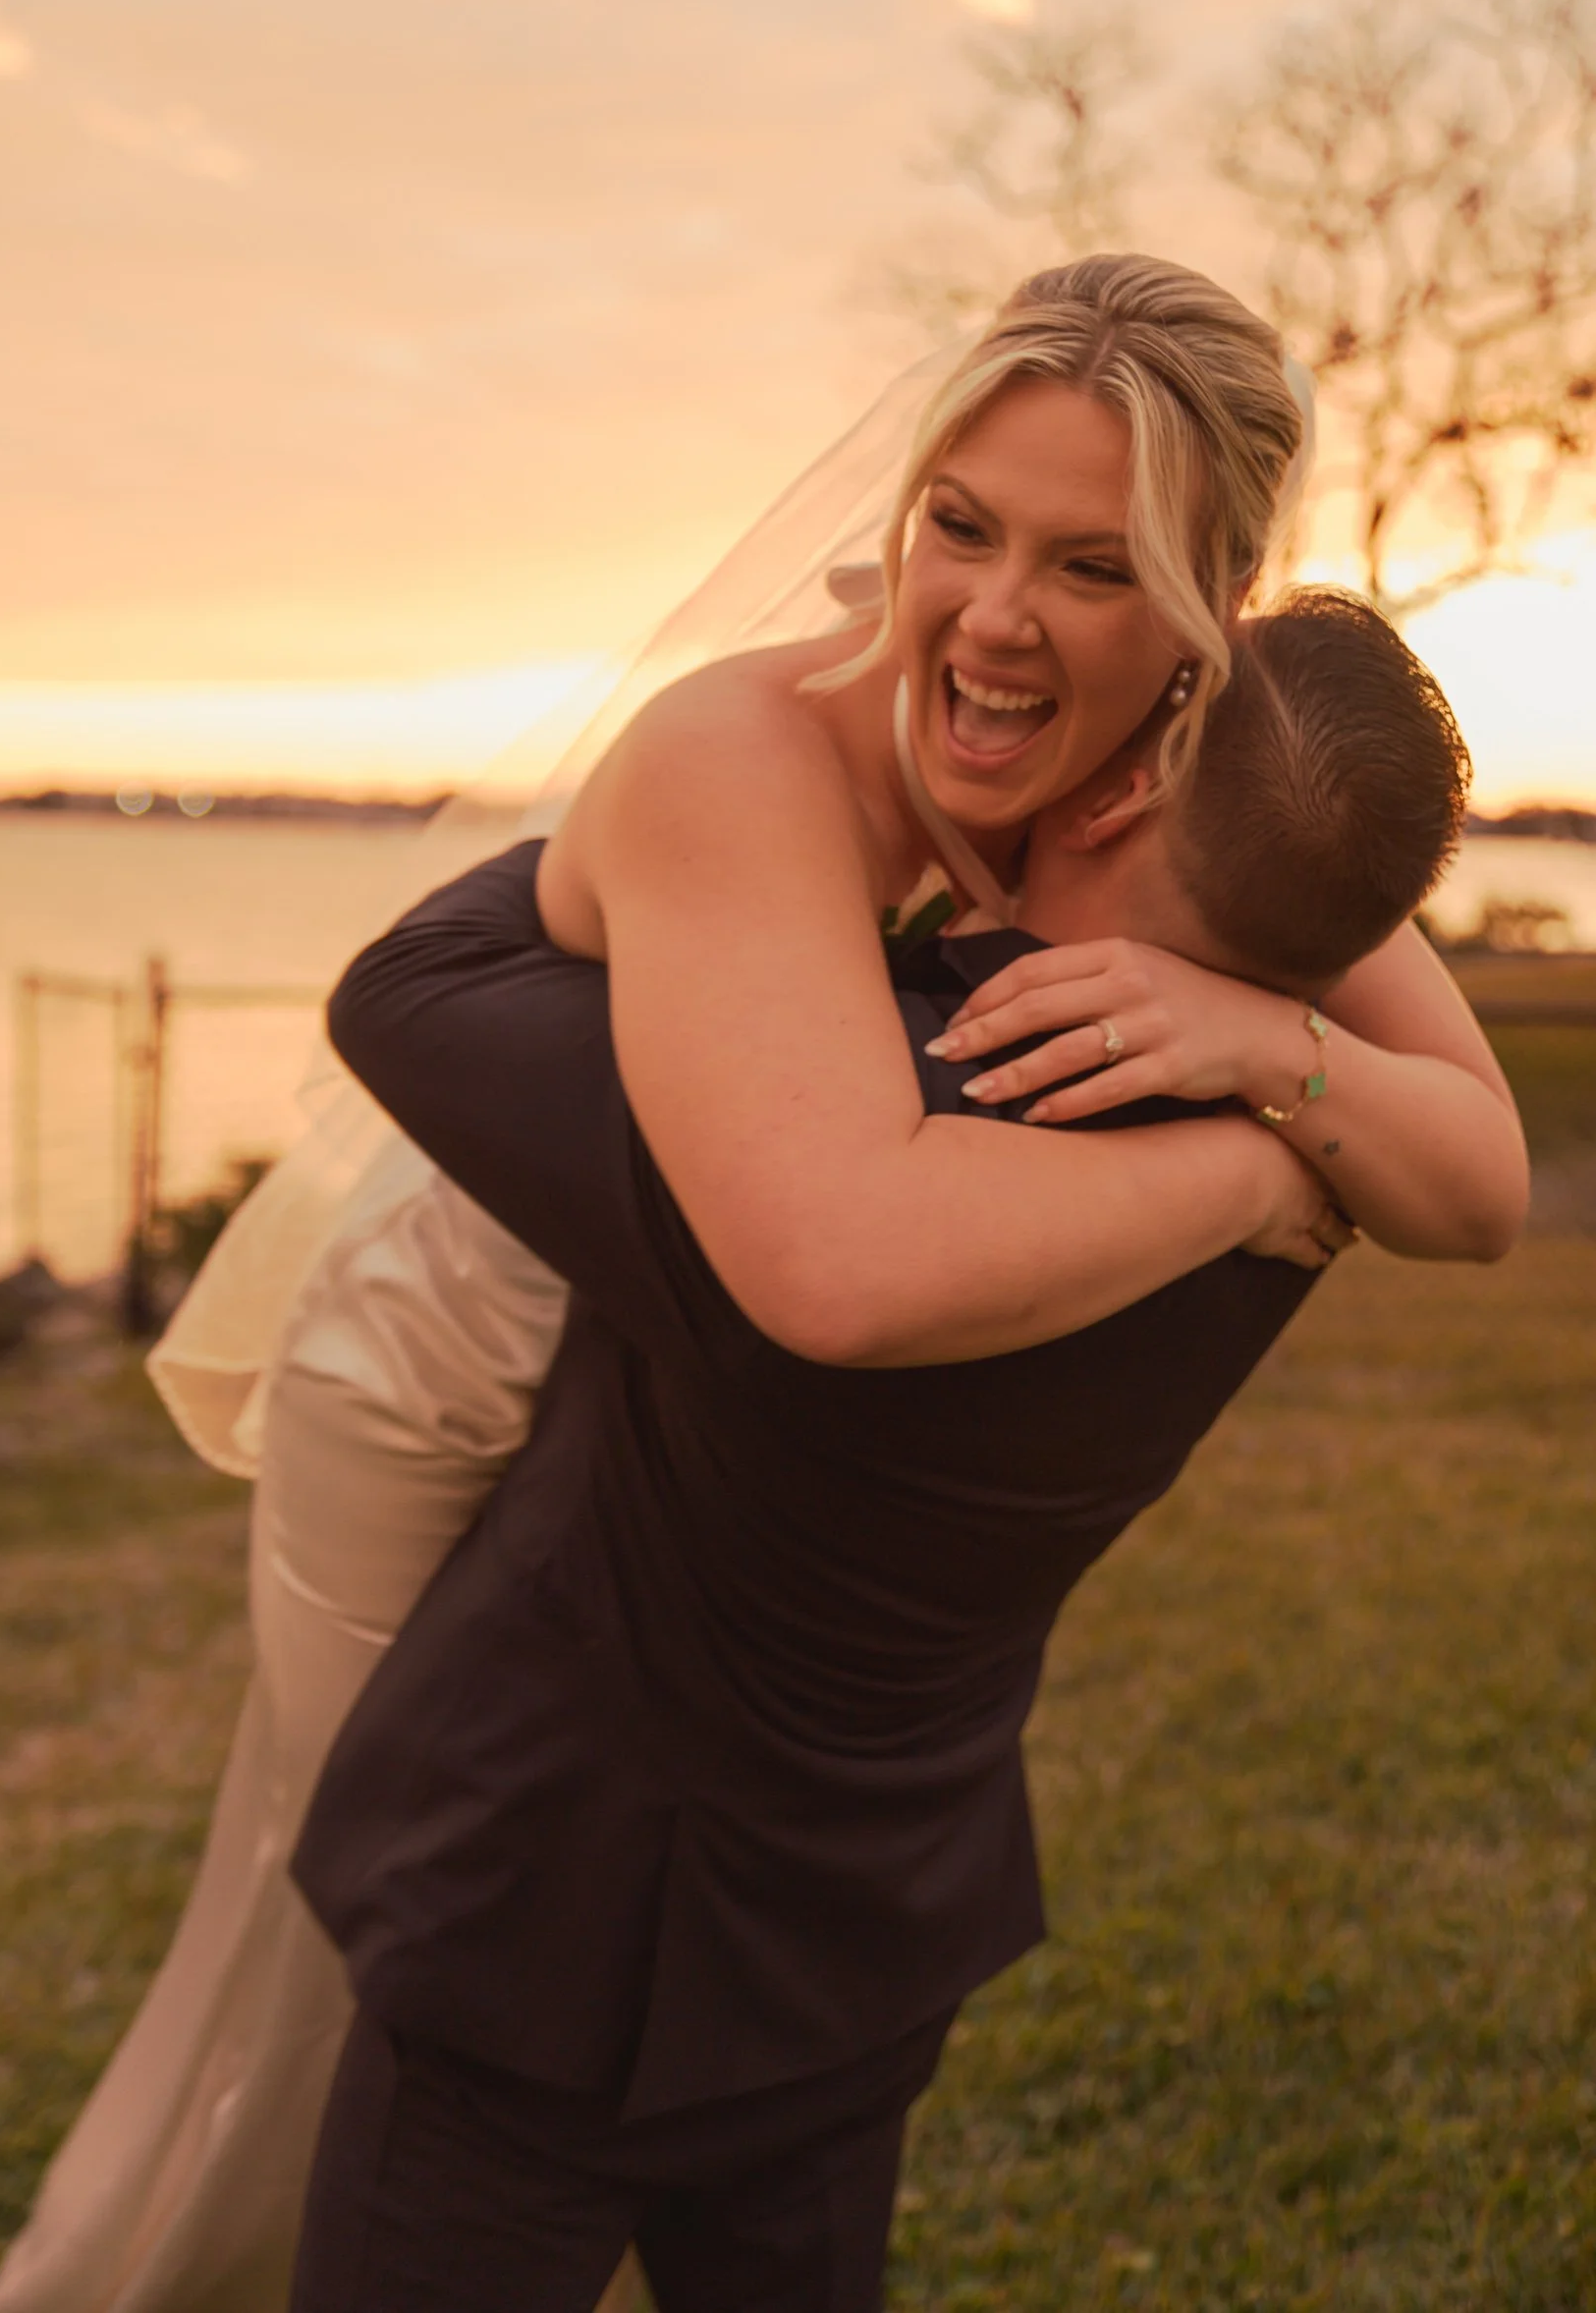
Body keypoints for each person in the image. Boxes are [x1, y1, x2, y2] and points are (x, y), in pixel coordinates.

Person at [0, 256, 1523, 2313]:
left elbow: (1479, 1170)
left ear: (1204, 637)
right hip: (441, 1329)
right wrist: (1261, 1152)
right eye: (957, 525)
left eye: (1086, 560)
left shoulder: (1195, 815)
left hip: (730, 1488)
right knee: (310, 1948)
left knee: (432, 1975)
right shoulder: (776, 761)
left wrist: (1276, 1055)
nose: (985, 611)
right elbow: (819, 1241)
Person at [285, 583, 1491, 2307]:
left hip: (539, 1923)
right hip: (865, 1926)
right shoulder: (1314, 1149)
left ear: (1125, 787)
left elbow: (418, 978)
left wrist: (828, 698)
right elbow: (1464, 1146)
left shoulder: (823, 1150)